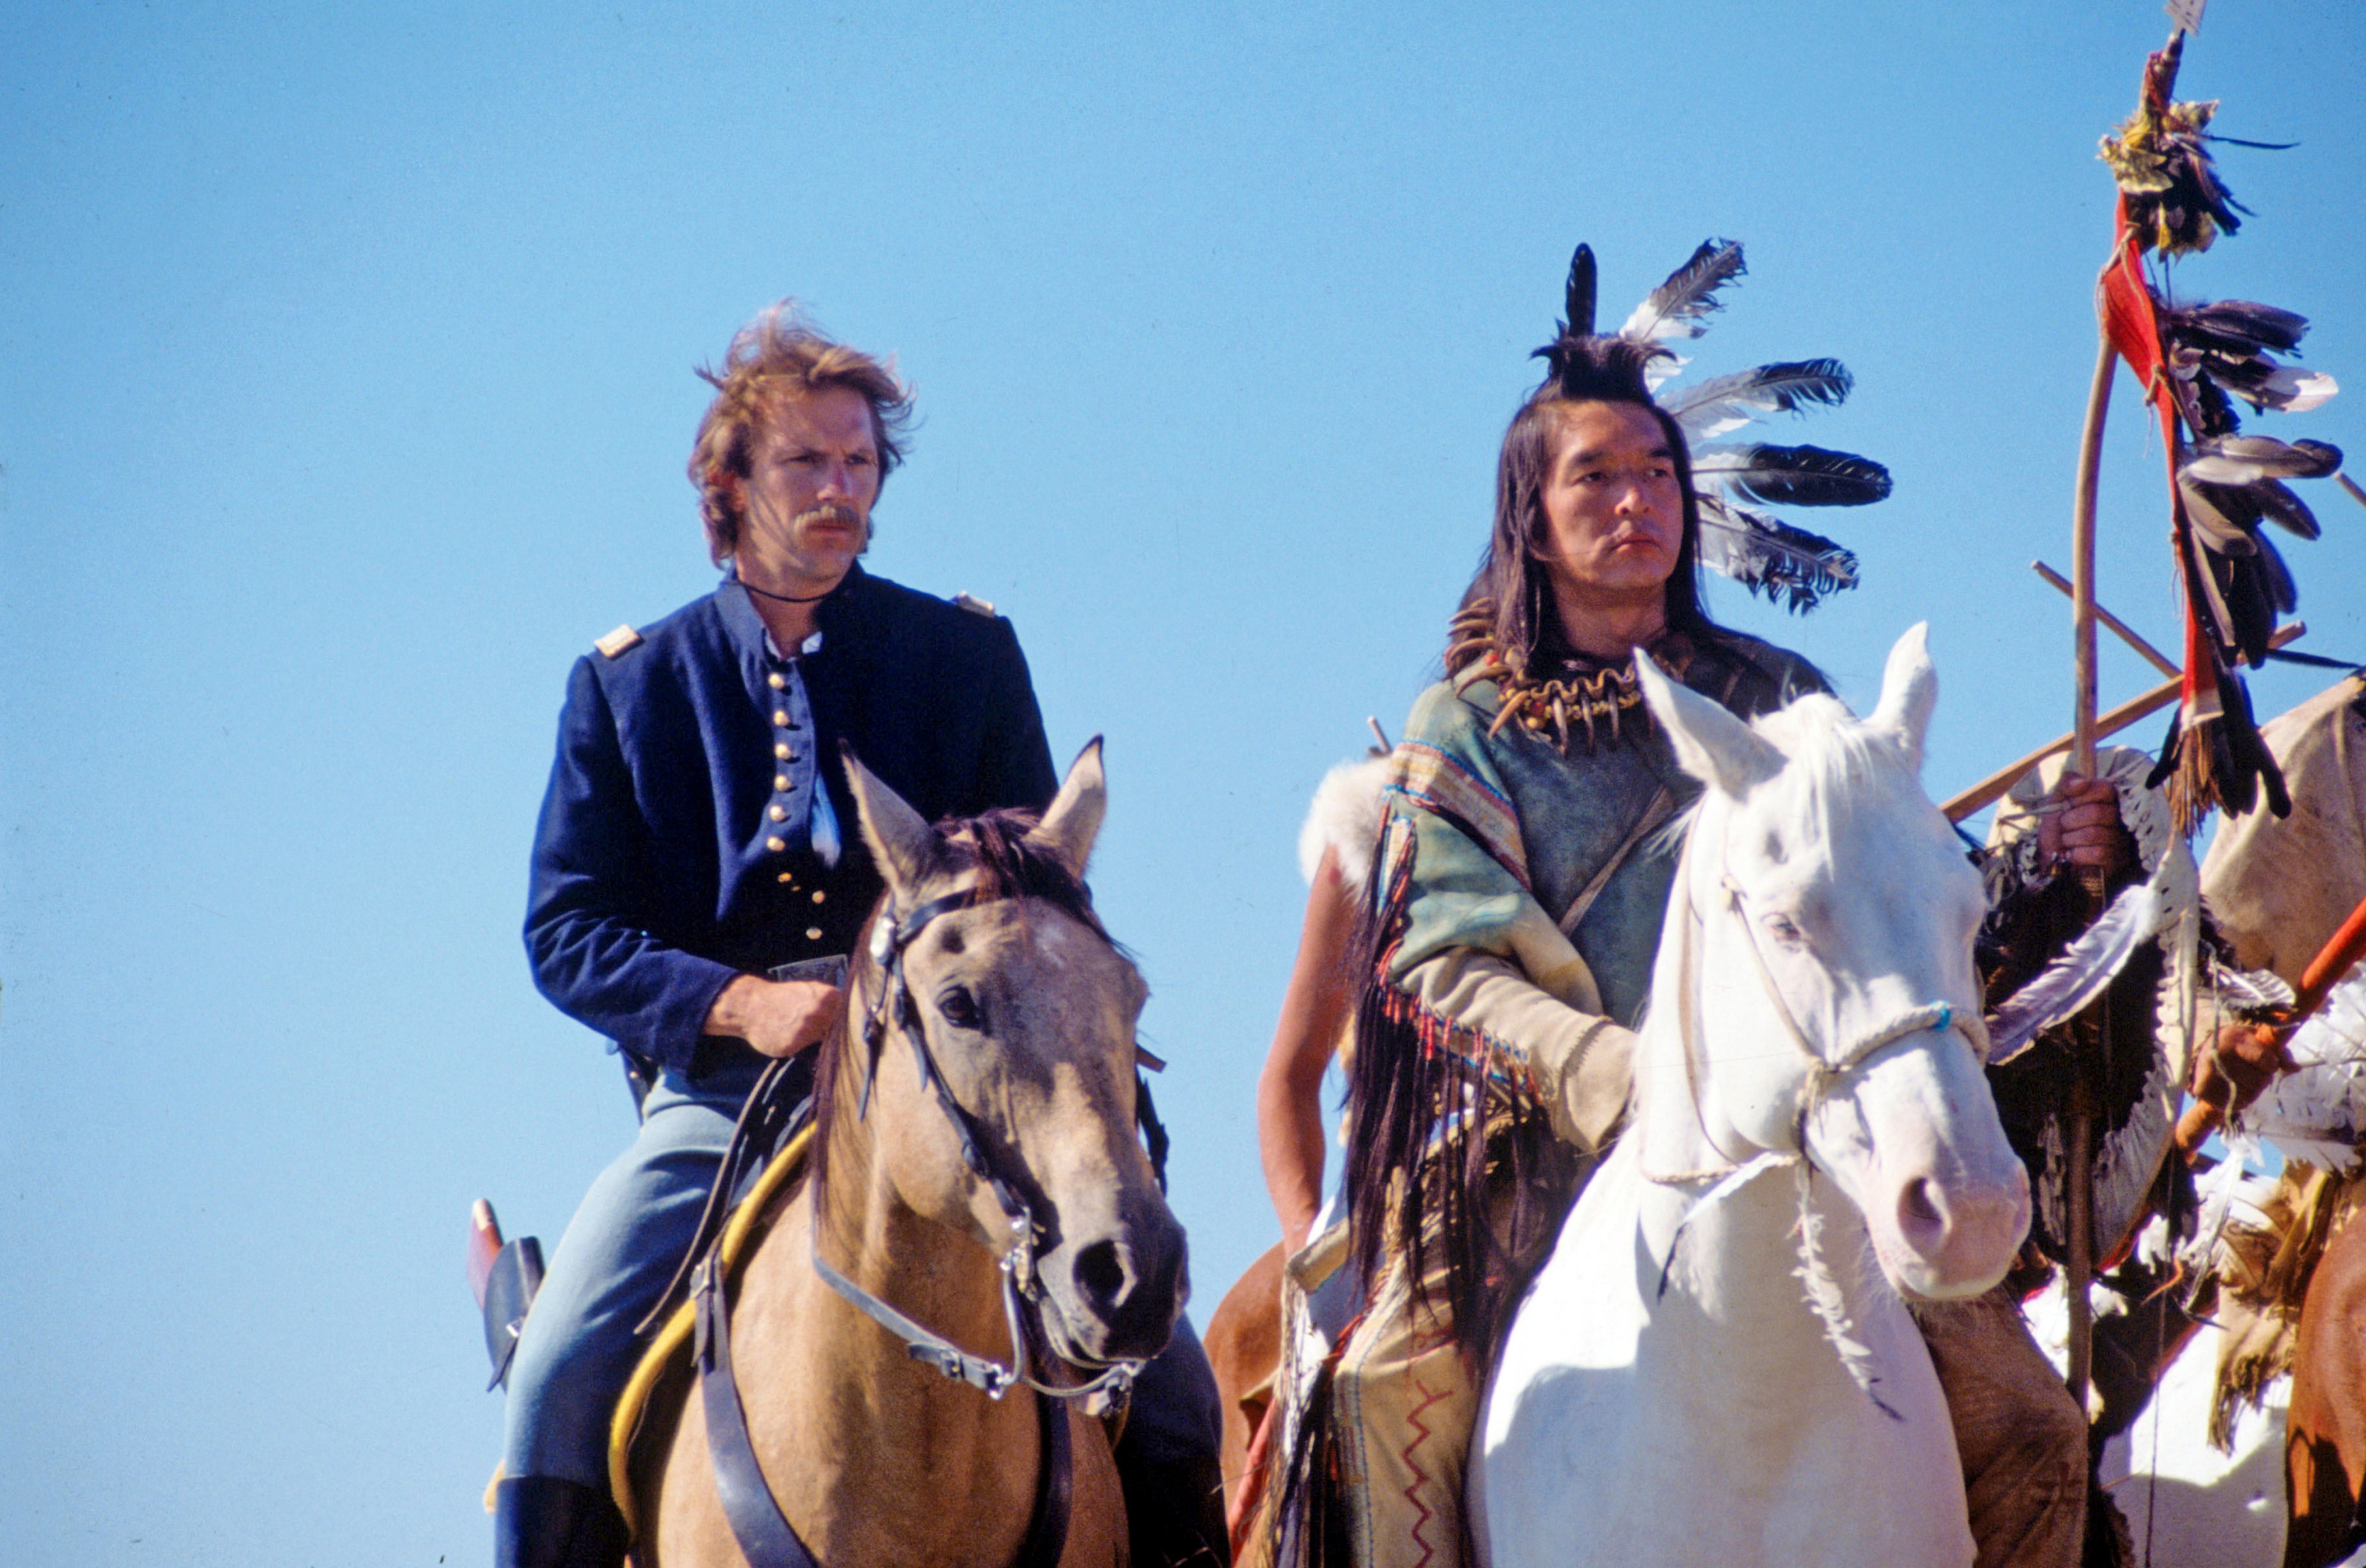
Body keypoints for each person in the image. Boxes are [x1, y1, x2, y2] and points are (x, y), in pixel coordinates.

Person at [1249, 325, 2118, 1568]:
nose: (1636, 500)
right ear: (1532, 520)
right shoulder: (1468, 727)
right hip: (1538, 1143)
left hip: (1813, 1119)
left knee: (2035, 1425)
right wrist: (1620, 1075)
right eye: (1596, 476)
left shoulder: (1782, 693)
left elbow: (1892, 900)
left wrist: (2049, 864)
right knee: (1384, 1384)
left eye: (1657, 472)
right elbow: (1443, 964)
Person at [500, 304, 1222, 1568]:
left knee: (1175, 1389)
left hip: (967, 1077)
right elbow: (567, 929)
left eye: (859, 462)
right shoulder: (629, 685)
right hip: (723, 1100)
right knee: (554, 1371)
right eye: (805, 462)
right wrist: (740, 1004)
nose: (839, 488)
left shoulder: (966, 655)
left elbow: (1037, 894)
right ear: (731, 482)